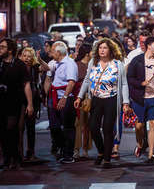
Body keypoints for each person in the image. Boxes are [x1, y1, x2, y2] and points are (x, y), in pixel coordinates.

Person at [74, 38, 129, 168]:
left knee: (107, 129)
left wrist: (125, 102)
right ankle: (101, 151)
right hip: (96, 99)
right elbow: (87, 81)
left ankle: (107, 158)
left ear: (110, 50)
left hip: (112, 99)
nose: (102, 50)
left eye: (104, 48)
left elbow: (124, 84)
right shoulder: (93, 62)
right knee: (93, 127)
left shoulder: (117, 64)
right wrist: (79, 97)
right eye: (100, 48)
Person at [127, 37, 154, 163]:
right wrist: (140, 83)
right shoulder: (137, 60)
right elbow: (130, 78)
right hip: (139, 98)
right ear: (149, 46)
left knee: (153, 124)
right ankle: (140, 144)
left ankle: (151, 153)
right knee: (139, 125)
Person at [0, 39, 34, 169]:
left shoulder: (19, 65)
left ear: (10, 50)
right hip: (1, 101)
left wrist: (30, 104)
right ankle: (7, 157)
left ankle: (15, 157)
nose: (0, 49)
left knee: (12, 129)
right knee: (2, 131)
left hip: (15, 101)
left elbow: (26, 85)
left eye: (3, 47)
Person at [49, 41, 78, 163]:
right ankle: (60, 147)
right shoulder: (57, 63)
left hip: (66, 98)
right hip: (55, 97)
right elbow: (46, 68)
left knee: (68, 127)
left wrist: (64, 98)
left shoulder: (70, 63)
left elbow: (71, 82)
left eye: (52, 51)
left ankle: (68, 154)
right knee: (54, 126)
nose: (50, 54)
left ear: (58, 52)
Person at [18, 47, 50, 161]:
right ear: (21, 56)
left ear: (33, 58)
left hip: (33, 99)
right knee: (19, 127)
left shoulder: (35, 67)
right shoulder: (17, 67)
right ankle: (19, 153)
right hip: (20, 99)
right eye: (24, 55)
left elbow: (47, 68)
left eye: (29, 56)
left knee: (30, 127)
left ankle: (30, 152)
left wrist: (40, 59)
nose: (26, 58)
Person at [73, 44, 93, 160]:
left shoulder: (93, 65)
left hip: (90, 96)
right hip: (79, 96)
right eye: (91, 52)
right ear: (87, 53)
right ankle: (76, 149)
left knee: (88, 124)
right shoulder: (76, 65)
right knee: (78, 124)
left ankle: (85, 149)